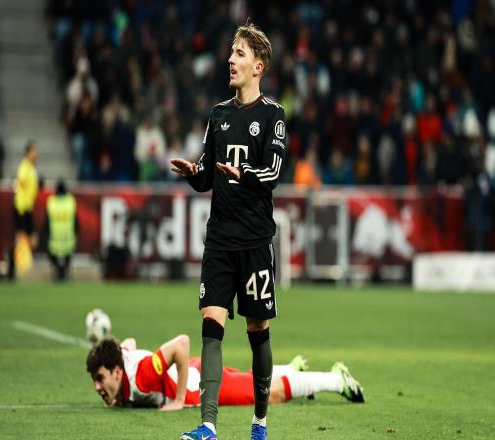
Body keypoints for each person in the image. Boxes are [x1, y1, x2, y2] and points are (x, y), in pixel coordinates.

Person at [170, 22, 287, 440]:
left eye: (239, 54)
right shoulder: (218, 115)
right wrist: (193, 172)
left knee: (258, 330)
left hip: (255, 241)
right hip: (219, 239)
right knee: (210, 323)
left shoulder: (273, 115)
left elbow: (273, 171)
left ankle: (259, 422)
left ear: (258, 66)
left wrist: (244, 173)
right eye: (231, 53)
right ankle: (208, 425)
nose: (230, 60)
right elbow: (207, 175)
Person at [86, 335, 365, 411]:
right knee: (250, 380)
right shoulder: (122, 364)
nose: (98, 386)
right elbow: (130, 342)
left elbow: (181, 343)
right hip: (195, 372)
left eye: (100, 378)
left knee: (269, 395)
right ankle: (290, 370)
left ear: (117, 371)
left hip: (204, 386)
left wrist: (179, 400)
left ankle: (336, 379)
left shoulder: (143, 376)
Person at [7, 141, 39, 279]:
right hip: (21, 208)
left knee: (30, 239)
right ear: (28, 153)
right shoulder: (25, 166)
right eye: (34, 152)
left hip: (27, 208)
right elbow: (19, 181)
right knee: (22, 238)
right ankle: (13, 265)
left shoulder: (31, 167)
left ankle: (15, 264)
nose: (37, 154)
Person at [44, 179, 79, 281]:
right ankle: (64, 270)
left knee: (51, 253)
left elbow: (47, 222)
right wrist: (76, 234)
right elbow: (76, 221)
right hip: (68, 240)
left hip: (54, 240)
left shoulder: (51, 202)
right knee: (69, 254)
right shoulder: (71, 201)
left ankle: (58, 269)